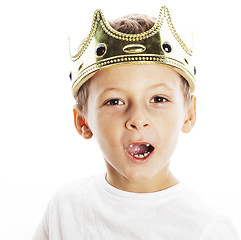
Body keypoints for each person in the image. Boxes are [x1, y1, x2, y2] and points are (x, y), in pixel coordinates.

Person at [33, 6, 240, 239]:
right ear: (82, 121)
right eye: (115, 101)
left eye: (158, 99)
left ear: (189, 114)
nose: (138, 119)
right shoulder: (64, 209)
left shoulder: (208, 231)